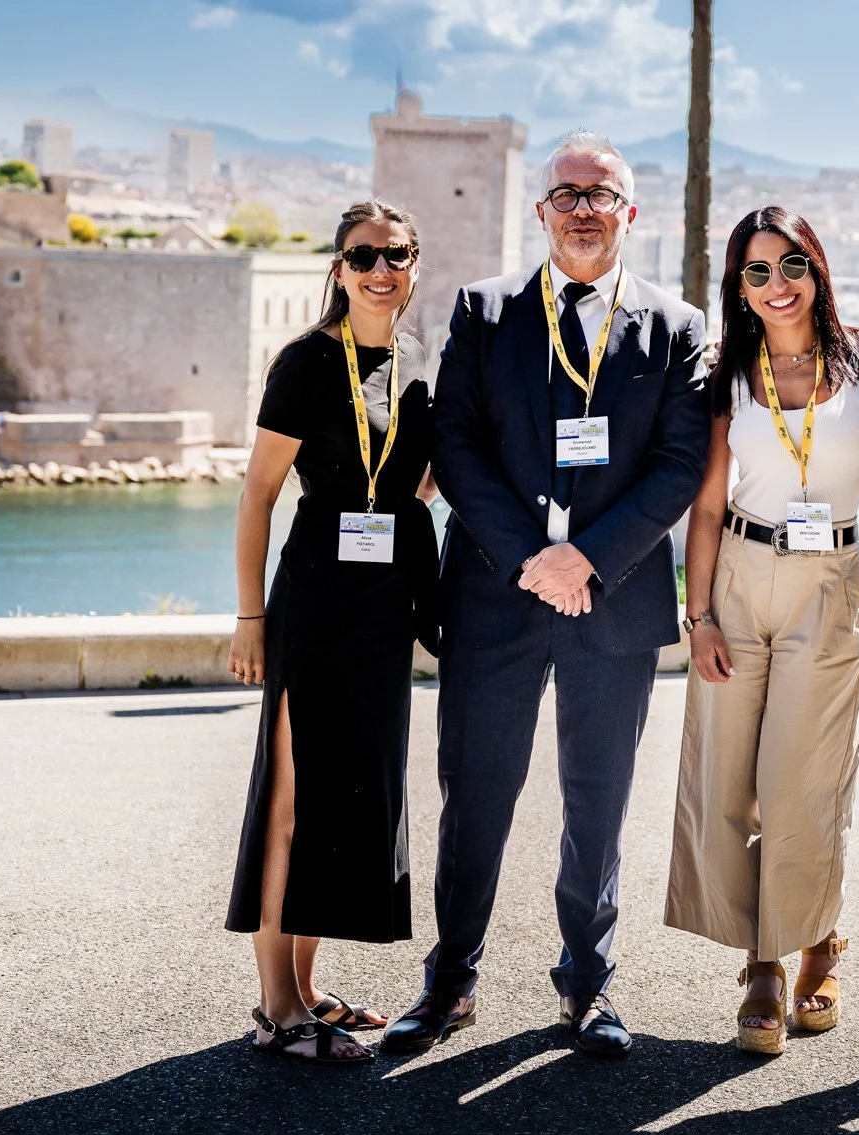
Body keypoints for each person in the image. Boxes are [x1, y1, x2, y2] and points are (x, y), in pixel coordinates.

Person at [378, 131, 709, 1059]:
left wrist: (585, 561)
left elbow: (679, 467)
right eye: (566, 195)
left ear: (629, 213)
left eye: (600, 194)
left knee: (597, 802)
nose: (581, 209)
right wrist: (533, 558)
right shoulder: (485, 313)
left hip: (615, 597)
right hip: (495, 592)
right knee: (474, 794)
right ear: (541, 212)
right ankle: (450, 984)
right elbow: (460, 446)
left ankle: (588, 986)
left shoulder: (676, 328)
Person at [665, 207, 859, 1055]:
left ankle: (817, 945)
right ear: (737, 286)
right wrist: (697, 617)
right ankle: (760, 961)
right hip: (738, 577)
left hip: (828, 583)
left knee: (806, 779)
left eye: (792, 265)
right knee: (731, 778)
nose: (778, 286)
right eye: (757, 271)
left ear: (818, 269)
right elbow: (703, 507)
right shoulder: (725, 371)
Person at [224, 200, 440, 1065]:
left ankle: (307, 990)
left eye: (395, 255)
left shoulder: (420, 361)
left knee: (348, 798)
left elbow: (418, 480)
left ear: (415, 265)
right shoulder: (307, 363)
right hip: (312, 601)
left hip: (382, 610)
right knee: (292, 796)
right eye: (362, 257)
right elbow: (257, 497)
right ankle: (278, 1010)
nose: (379, 270)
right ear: (339, 268)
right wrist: (251, 617)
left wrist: (400, 524)